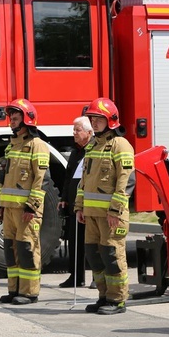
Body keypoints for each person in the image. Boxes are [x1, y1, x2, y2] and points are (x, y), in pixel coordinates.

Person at [74, 97, 135, 315]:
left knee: (112, 256)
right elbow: (84, 181)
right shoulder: (92, 145)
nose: (94, 123)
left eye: (98, 119)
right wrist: (79, 207)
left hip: (111, 215)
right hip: (91, 214)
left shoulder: (120, 145)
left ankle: (117, 300)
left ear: (110, 120)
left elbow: (125, 182)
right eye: (92, 119)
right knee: (94, 255)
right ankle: (103, 296)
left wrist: (115, 211)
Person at [0, 98, 50, 305]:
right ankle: (14, 289)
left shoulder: (37, 146)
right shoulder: (12, 147)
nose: (11, 122)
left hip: (26, 210)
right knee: (11, 250)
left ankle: (29, 293)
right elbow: (3, 179)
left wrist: (32, 206)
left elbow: (41, 179)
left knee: (27, 250)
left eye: (16, 118)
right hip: (9, 209)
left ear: (27, 120)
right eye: (11, 118)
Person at [57, 115, 93, 288]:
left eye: (78, 130)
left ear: (89, 132)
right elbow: (68, 177)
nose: (74, 133)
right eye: (74, 130)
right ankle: (76, 276)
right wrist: (64, 199)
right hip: (74, 204)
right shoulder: (75, 152)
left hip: (91, 205)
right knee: (75, 241)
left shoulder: (94, 150)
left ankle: (96, 278)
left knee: (94, 243)